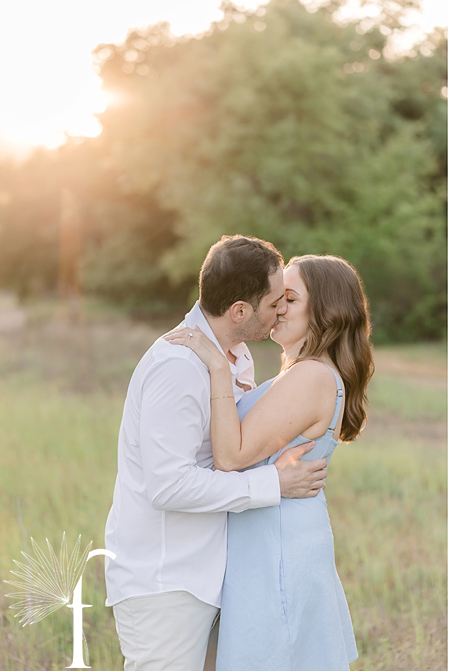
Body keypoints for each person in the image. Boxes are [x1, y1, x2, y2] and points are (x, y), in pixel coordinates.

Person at [105, 235, 329, 671]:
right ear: (239, 311)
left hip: (212, 577)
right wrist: (273, 483)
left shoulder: (234, 358)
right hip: (166, 583)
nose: (281, 310)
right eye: (274, 303)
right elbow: (169, 486)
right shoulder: (178, 367)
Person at [165, 253, 374, 670]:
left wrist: (217, 367)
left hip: (277, 548)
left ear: (325, 312)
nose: (277, 307)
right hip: (271, 540)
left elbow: (231, 456)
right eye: (276, 297)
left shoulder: (312, 375)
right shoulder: (304, 372)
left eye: (290, 299)